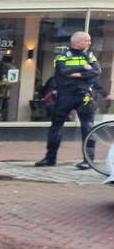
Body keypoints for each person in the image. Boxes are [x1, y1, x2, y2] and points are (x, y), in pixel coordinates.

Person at [36, 32, 102, 168]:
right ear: (77, 42)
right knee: (56, 127)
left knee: (87, 127)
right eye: (87, 40)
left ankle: (88, 161)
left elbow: (97, 71)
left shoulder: (89, 55)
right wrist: (84, 68)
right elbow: (62, 70)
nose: (89, 43)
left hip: (84, 95)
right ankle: (50, 158)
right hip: (65, 96)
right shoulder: (62, 56)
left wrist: (75, 73)